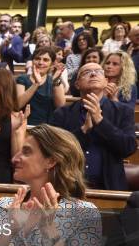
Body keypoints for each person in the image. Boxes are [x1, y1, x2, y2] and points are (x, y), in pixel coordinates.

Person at [52, 63, 136, 191]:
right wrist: (83, 130)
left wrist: (100, 121)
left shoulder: (123, 112)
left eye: (98, 71)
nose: (93, 74)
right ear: (77, 84)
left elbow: (128, 148)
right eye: (86, 73)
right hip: (69, 188)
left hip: (110, 189)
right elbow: (55, 150)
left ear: (105, 81)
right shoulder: (62, 114)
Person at [16, 47, 66, 125]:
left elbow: (61, 107)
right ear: (32, 61)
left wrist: (56, 81)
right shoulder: (22, 79)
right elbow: (18, 104)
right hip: (25, 125)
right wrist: (36, 84)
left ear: (52, 64)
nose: (40, 62)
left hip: (47, 127)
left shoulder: (54, 80)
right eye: (37, 59)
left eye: (45, 60)